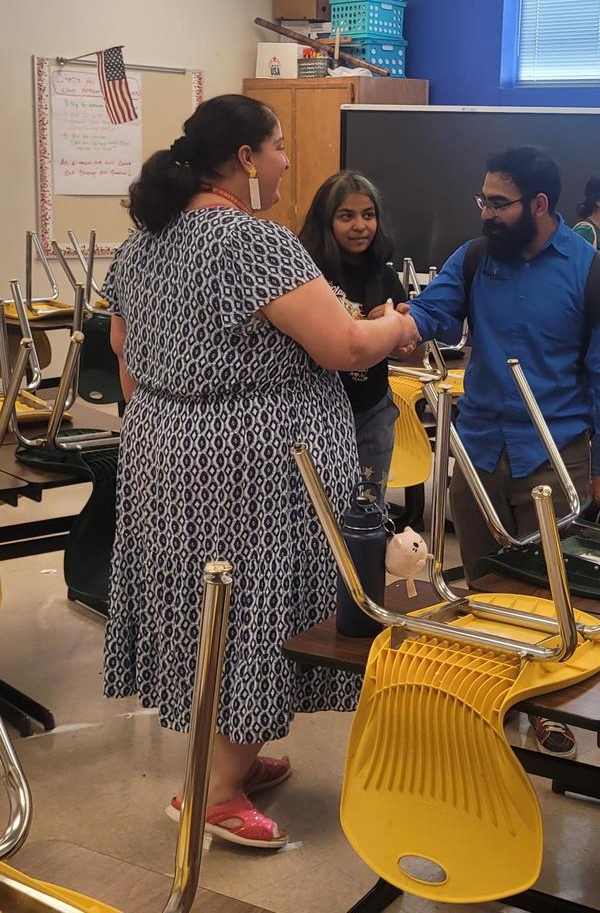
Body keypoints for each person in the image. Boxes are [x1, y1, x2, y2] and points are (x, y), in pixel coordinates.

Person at [103, 94, 417, 849]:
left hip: (163, 453)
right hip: (255, 472)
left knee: (199, 603)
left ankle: (228, 756)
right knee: (259, 608)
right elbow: (342, 347)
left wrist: (177, 420)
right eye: (277, 148)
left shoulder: (145, 241)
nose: (283, 163)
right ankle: (211, 792)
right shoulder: (251, 241)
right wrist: (398, 325)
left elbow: (123, 350)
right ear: (245, 158)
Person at [379, 146, 600, 759]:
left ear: (539, 205)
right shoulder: (474, 259)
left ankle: (543, 710)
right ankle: (486, 708)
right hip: (476, 452)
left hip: (554, 459)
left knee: (549, 594)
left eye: (499, 203)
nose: (486, 212)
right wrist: (394, 325)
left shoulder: (592, 275)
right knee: (485, 589)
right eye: (483, 200)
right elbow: (435, 312)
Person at [300, 171, 407, 493]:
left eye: (369, 215)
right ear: (325, 221)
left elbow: (411, 350)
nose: (361, 226)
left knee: (368, 514)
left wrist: (399, 327)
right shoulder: (306, 274)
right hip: (315, 412)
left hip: (373, 409)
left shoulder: (384, 277)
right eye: (346, 216)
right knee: (321, 512)